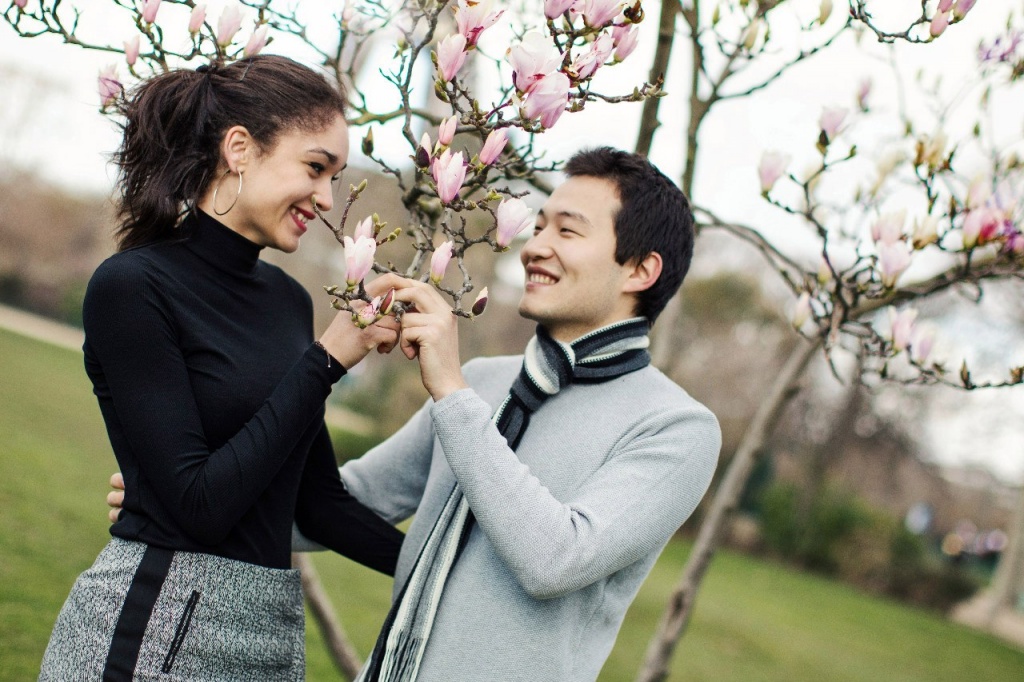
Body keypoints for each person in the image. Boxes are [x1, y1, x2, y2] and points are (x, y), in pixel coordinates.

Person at [109, 147, 720, 680]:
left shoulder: (676, 428)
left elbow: (556, 560)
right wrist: (182, 496)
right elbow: (343, 502)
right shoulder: (485, 382)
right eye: (538, 226)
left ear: (641, 269)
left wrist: (451, 391)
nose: (535, 247)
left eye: (567, 231)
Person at [41, 55, 404, 681]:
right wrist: (327, 360)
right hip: (156, 629)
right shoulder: (135, 286)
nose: (326, 199)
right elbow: (199, 504)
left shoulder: (288, 301)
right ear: (240, 149)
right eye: (315, 168)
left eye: (335, 178)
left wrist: (453, 574)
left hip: (272, 634)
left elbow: (318, 504)